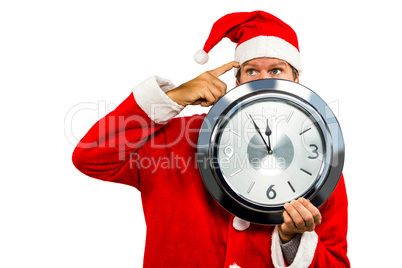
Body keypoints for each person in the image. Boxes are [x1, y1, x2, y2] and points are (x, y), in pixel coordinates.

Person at [72, 11, 350, 267]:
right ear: (238, 82)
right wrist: (173, 97)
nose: (263, 80)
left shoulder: (320, 162)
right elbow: (91, 157)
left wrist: (291, 241)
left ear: (296, 82)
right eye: (251, 70)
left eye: (276, 70)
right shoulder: (176, 138)